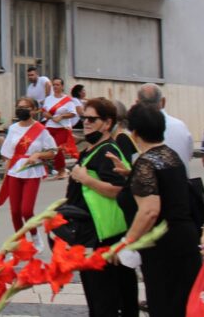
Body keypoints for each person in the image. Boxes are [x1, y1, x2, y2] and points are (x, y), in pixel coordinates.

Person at [114, 103, 200, 317]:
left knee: (164, 304)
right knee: (183, 304)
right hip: (185, 239)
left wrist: (127, 243)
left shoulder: (146, 164)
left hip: (163, 247)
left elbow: (149, 211)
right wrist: (130, 175)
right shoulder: (170, 156)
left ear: (134, 133)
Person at [65, 97, 137, 317]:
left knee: (104, 299)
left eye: (92, 119)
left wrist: (86, 180)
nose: (85, 123)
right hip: (92, 235)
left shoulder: (108, 151)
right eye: (83, 118)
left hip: (105, 236)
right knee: (98, 298)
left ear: (107, 123)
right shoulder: (91, 150)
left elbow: (119, 189)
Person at [0, 97, 56, 251]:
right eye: (19, 106)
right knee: (15, 211)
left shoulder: (41, 130)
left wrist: (37, 155)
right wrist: (6, 174)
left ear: (34, 110)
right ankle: (20, 244)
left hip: (32, 172)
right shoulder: (14, 128)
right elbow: (8, 153)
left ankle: (35, 237)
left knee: (26, 210)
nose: (21, 109)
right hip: (15, 172)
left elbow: (53, 151)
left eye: (25, 107)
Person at [136, 83, 193, 173]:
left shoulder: (136, 129)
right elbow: (189, 155)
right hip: (183, 184)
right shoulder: (181, 126)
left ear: (137, 103)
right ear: (163, 101)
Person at [42, 77, 78, 179]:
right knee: (47, 148)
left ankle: (61, 171)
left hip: (62, 127)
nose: (55, 87)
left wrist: (62, 116)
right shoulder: (49, 99)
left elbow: (73, 113)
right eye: (54, 85)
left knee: (57, 148)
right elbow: (45, 112)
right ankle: (49, 170)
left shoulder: (67, 100)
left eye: (58, 85)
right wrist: (50, 116)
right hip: (50, 126)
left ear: (62, 86)